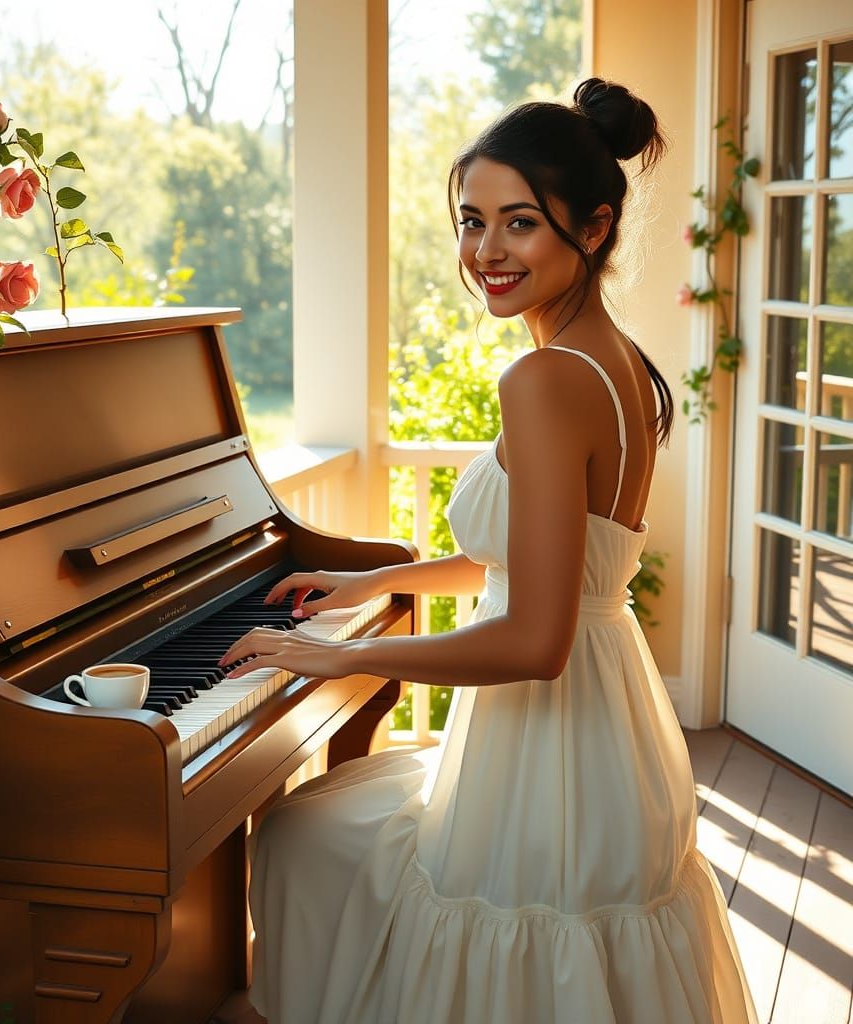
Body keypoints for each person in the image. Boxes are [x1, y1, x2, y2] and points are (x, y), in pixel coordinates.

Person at [217, 77, 759, 1024]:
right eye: (472, 221)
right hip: (603, 728)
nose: (484, 252)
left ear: (593, 230)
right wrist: (376, 576)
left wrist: (337, 652)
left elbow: (533, 640)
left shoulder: (545, 380)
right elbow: (545, 563)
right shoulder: (617, 358)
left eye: (519, 224)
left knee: (305, 834)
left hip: (552, 746)